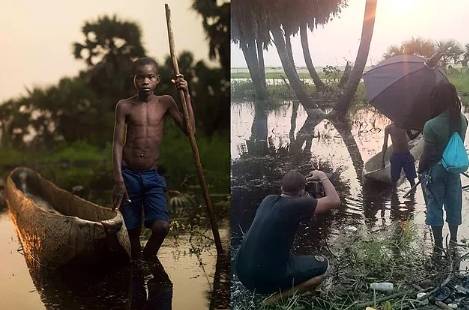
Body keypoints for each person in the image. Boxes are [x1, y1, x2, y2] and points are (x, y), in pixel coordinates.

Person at [112, 57, 195, 260]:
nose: (145, 81)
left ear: (157, 79)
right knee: (131, 231)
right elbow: (117, 143)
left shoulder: (166, 102)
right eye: (140, 77)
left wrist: (186, 95)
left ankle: (148, 259)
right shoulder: (125, 106)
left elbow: (190, 130)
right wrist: (118, 179)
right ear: (134, 80)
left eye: (150, 77)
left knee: (161, 226)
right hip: (128, 174)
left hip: (151, 175)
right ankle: (137, 268)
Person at [234, 170, 341, 304]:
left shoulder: (268, 200)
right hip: (260, 278)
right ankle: (274, 299)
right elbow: (335, 200)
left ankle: (276, 281)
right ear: (302, 191)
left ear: (281, 188)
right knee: (324, 268)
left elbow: (293, 203)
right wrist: (321, 176)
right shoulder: (297, 205)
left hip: (242, 271)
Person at [418, 81, 468, 251]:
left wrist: (420, 169)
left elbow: (428, 154)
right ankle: (453, 241)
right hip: (454, 170)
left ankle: (438, 246)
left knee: (435, 206)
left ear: (436, 99)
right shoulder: (462, 120)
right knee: (454, 205)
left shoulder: (431, 125)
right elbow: (457, 147)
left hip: (435, 171)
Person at [381, 123, 421, 188]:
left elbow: (412, 137)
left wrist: (420, 130)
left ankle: (412, 194)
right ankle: (394, 195)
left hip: (406, 155)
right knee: (394, 180)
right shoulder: (388, 128)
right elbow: (385, 144)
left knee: (411, 179)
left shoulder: (405, 126)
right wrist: (382, 160)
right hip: (396, 156)